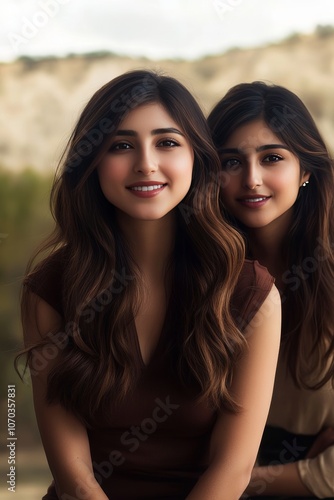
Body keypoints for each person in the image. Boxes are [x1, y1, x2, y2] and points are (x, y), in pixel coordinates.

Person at [17, 70, 281, 500]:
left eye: (167, 142)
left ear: (197, 157)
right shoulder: (50, 290)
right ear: (93, 162)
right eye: (121, 146)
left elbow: (233, 470)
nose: (146, 163)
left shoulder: (252, 294)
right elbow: (74, 475)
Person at [208, 81, 334, 499]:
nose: (252, 179)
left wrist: (246, 481)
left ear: (307, 172)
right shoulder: (198, 271)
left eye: (272, 158)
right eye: (231, 161)